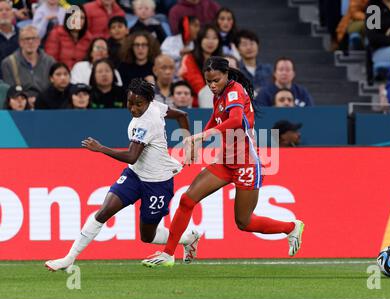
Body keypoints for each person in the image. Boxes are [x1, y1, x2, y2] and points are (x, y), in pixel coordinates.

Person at [142, 56, 305, 267]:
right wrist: (202, 141)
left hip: (246, 163)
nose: (212, 85)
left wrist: (201, 136)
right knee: (187, 200)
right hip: (226, 161)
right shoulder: (220, 93)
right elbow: (216, 118)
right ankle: (168, 254)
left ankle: (291, 227)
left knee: (243, 222)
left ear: (226, 75)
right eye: (208, 81)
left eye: (216, 80)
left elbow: (236, 120)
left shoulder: (235, 91)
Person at [45, 78, 200, 271]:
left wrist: (101, 148)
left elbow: (132, 156)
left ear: (148, 102)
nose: (133, 108)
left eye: (138, 104)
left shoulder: (147, 122)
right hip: (135, 176)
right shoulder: (156, 107)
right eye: (130, 103)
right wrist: (189, 143)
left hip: (157, 182)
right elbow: (182, 115)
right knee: (103, 212)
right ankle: (69, 258)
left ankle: (188, 237)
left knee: (147, 236)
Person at [1, 25, 55, 98]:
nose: (30, 42)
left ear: (39, 41)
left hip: (45, 104)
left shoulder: (50, 62)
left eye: (34, 38)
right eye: (27, 39)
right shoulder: (8, 63)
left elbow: (53, 87)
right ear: (20, 42)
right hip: (20, 104)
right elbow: (10, 90)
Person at [178, 24, 222, 107]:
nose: (211, 41)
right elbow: (199, 88)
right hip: (195, 106)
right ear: (200, 39)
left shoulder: (222, 60)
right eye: (207, 37)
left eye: (215, 38)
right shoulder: (189, 58)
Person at [44, 5, 93, 70]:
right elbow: (50, 60)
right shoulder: (56, 34)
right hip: (61, 75)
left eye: (82, 18)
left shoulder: (89, 38)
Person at [234, 29, 272, 95]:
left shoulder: (268, 69)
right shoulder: (236, 70)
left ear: (258, 45)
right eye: (244, 44)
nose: (249, 47)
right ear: (238, 49)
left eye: (252, 44)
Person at [0, 0, 19, 80]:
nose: (4, 13)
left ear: (13, 14)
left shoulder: (24, 36)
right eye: (0, 10)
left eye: (7, 10)